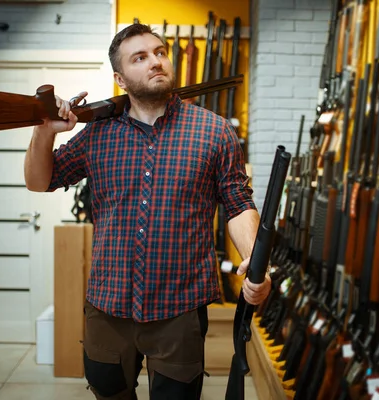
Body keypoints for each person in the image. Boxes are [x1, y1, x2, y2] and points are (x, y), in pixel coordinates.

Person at [24, 23, 272, 400]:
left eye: (159, 53)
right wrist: (46, 130)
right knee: (109, 392)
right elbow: (40, 181)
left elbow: (238, 205)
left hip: (180, 307)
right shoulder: (97, 134)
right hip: (108, 305)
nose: (155, 62)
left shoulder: (214, 132)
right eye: (140, 58)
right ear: (120, 79)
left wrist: (255, 260)